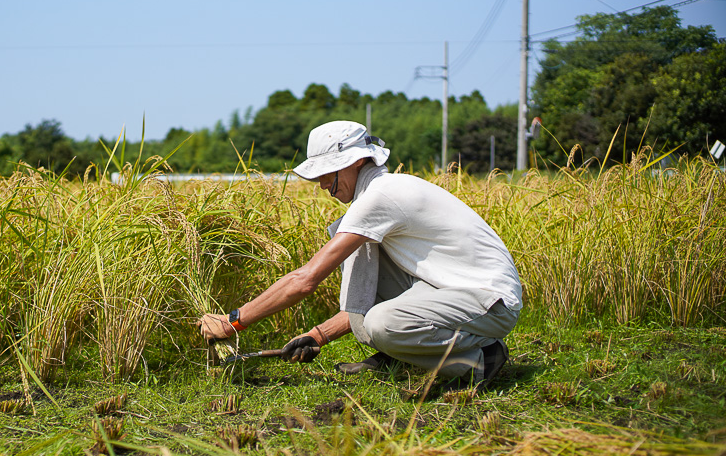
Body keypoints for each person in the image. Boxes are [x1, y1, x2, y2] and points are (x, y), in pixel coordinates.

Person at [199, 120, 522, 383]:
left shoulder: (381, 196)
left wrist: (232, 322)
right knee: (372, 307)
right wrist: (318, 335)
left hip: (489, 300)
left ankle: (479, 360)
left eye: (327, 173)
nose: (324, 185)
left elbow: (305, 280)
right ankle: (400, 357)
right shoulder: (373, 201)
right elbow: (363, 297)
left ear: (355, 162)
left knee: (384, 324)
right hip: (448, 290)